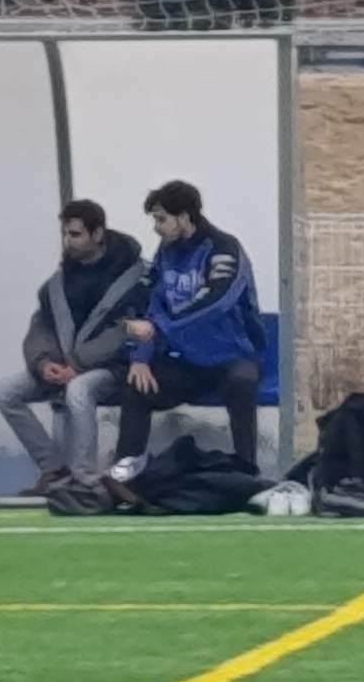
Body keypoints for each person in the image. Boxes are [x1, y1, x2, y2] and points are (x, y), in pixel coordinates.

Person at [110, 179, 266, 476]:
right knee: (135, 386)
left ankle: (247, 473)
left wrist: (160, 330)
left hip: (233, 356)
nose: (156, 228)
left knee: (242, 383)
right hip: (188, 363)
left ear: (183, 217)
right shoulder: (166, 252)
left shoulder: (224, 248)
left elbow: (216, 302)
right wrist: (141, 357)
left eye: (161, 219)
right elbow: (152, 306)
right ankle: (124, 476)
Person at [0, 199, 147, 488]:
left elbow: (124, 332)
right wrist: (43, 363)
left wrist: (76, 365)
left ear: (98, 233)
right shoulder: (58, 281)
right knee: (5, 392)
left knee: (79, 390)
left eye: (75, 234)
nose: (68, 241)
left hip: (115, 369)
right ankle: (55, 470)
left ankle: (85, 478)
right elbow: (42, 325)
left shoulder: (134, 278)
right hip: (64, 365)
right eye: (65, 234)